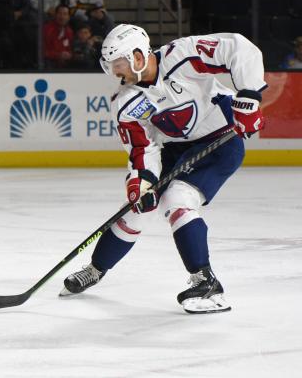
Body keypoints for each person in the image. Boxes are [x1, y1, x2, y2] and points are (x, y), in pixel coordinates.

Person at [61, 24, 266, 314]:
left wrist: (249, 96)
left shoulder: (182, 55)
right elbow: (142, 148)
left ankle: (206, 283)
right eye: (111, 66)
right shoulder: (125, 101)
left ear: (137, 55)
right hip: (174, 149)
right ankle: (96, 268)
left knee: (177, 200)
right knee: (138, 207)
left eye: (118, 64)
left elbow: (239, 47)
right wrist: (141, 181)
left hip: (221, 140)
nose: (116, 72)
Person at [43, 4, 73, 68]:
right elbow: (43, 52)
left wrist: (70, 55)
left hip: (64, 63)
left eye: (65, 14)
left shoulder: (69, 32)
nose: (62, 17)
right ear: (55, 15)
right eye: (60, 13)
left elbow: (69, 49)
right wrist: (58, 55)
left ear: (68, 17)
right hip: (49, 63)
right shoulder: (47, 29)